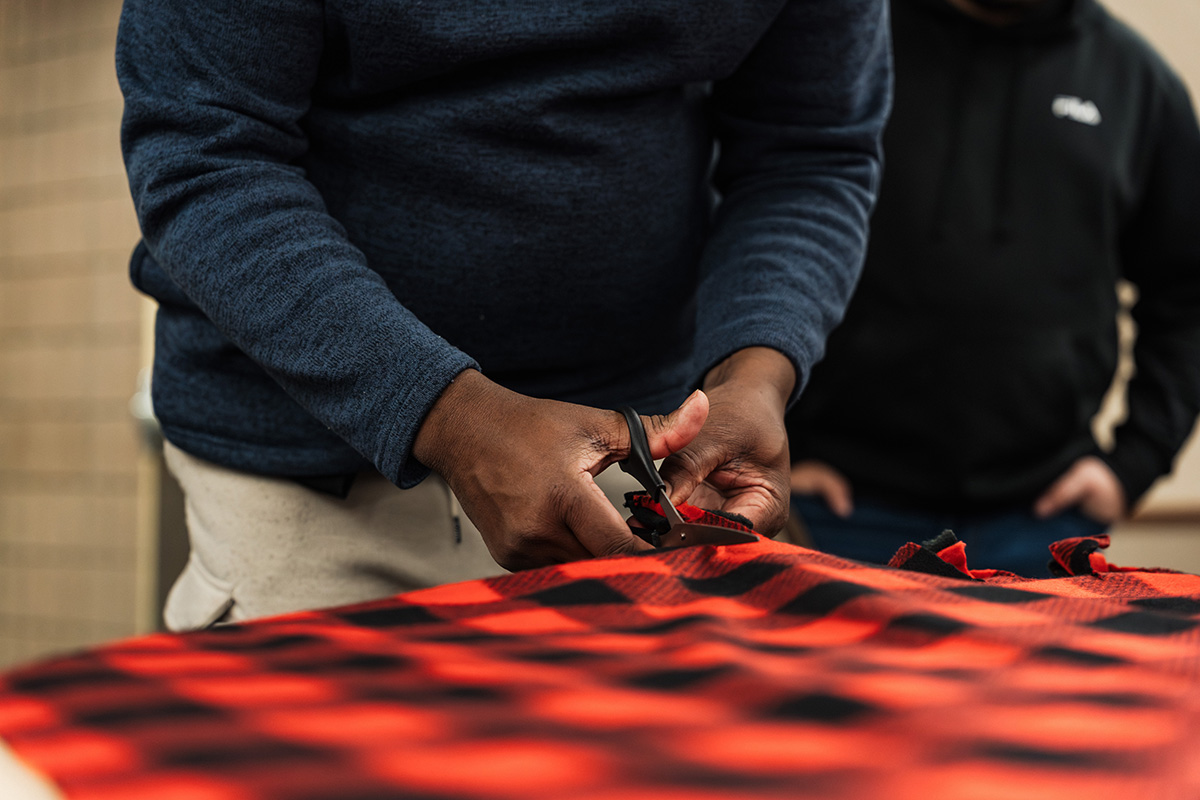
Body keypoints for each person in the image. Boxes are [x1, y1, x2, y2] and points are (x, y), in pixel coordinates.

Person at [115, 0, 891, 628]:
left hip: (642, 460)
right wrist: (446, 415)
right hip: (315, 480)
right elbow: (206, 152)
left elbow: (810, 149)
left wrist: (755, 372)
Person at [785, 0, 1200, 576]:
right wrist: (781, 445)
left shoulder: (1137, 81)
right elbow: (747, 225)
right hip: (836, 509)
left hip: (1043, 519)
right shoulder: (846, 46)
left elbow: (1186, 298)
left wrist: (1133, 465)